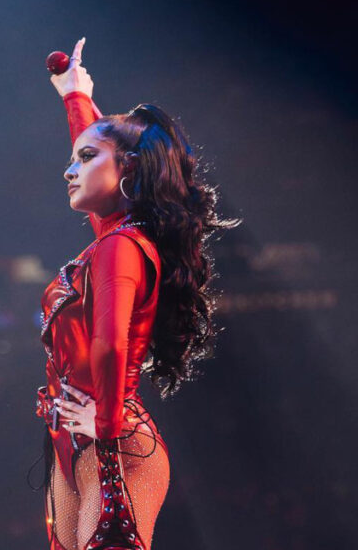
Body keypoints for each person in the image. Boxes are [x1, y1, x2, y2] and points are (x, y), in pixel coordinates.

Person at [34, 38, 235, 550]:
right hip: (75, 441)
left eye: (84, 158)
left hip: (112, 440)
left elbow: (109, 344)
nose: (69, 169)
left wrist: (103, 424)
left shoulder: (121, 247)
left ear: (127, 169)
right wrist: (76, 95)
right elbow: (102, 150)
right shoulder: (116, 236)